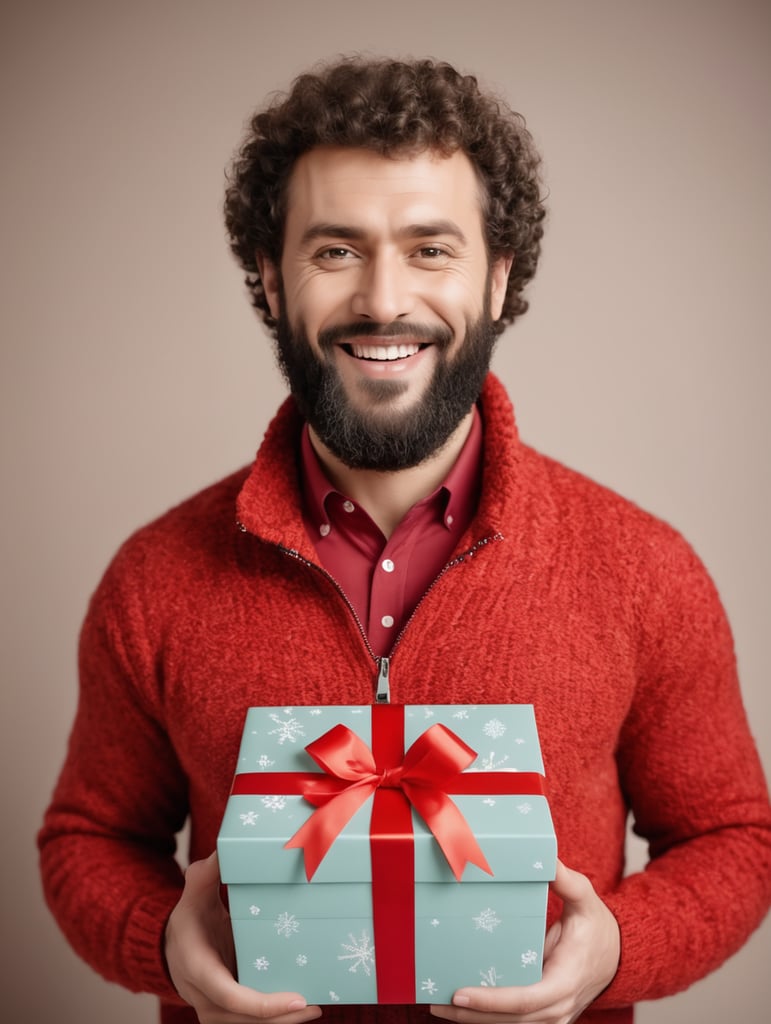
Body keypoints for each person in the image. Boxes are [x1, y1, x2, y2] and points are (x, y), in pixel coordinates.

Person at [39, 56, 770, 1024]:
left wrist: (617, 952)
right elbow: (87, 837)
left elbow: (734, 838)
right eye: (335, 250)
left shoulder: (644, 568)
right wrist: (160, 940)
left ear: (499, 275)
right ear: (269, 275)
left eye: (431, 248)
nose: (385, 299)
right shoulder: (156, 575)